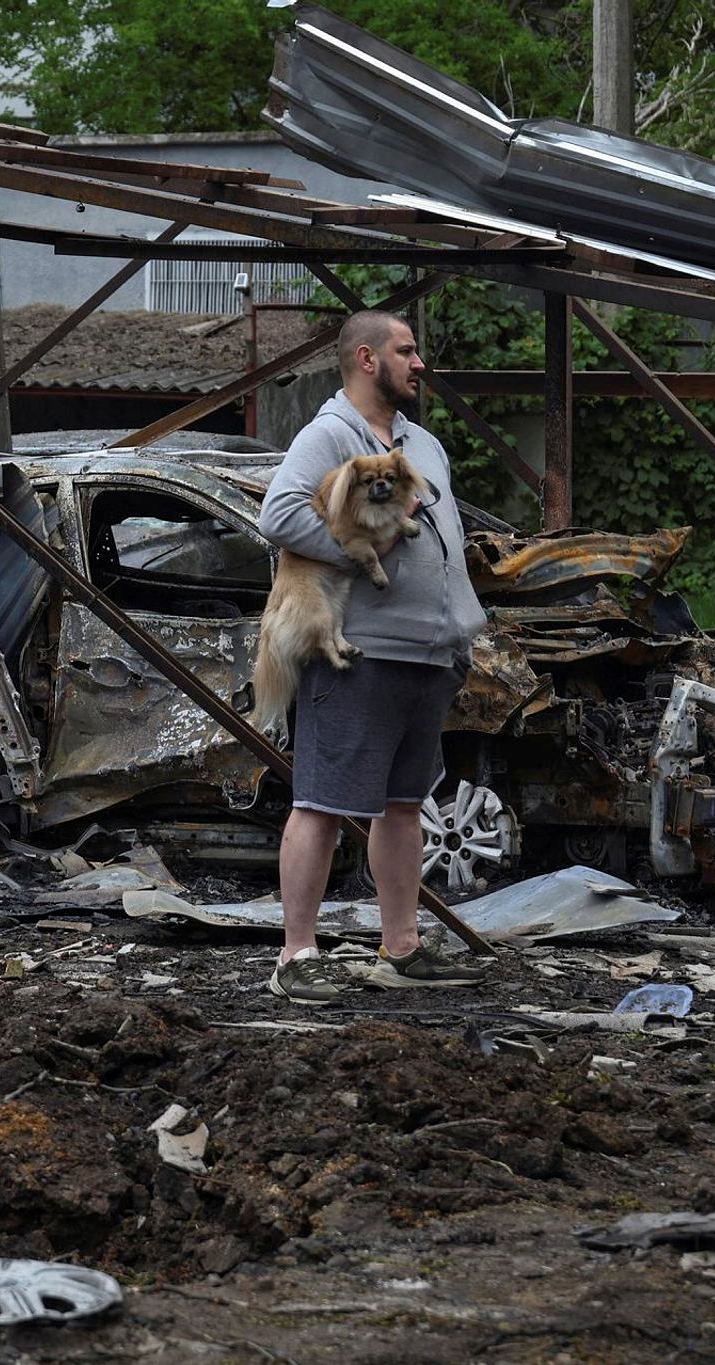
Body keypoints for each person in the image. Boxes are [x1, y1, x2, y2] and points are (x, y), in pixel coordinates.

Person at [256, 310, 490, 1002]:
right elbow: (278, 516)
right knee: (323, 802)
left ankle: (402, 947)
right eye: (405, 350)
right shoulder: (328, 434)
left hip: (427, 652)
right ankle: (296, 955)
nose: (419, 362)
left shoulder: (420, 442)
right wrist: (364, 551)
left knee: (403, 806)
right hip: (359, 654)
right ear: (366, 358)